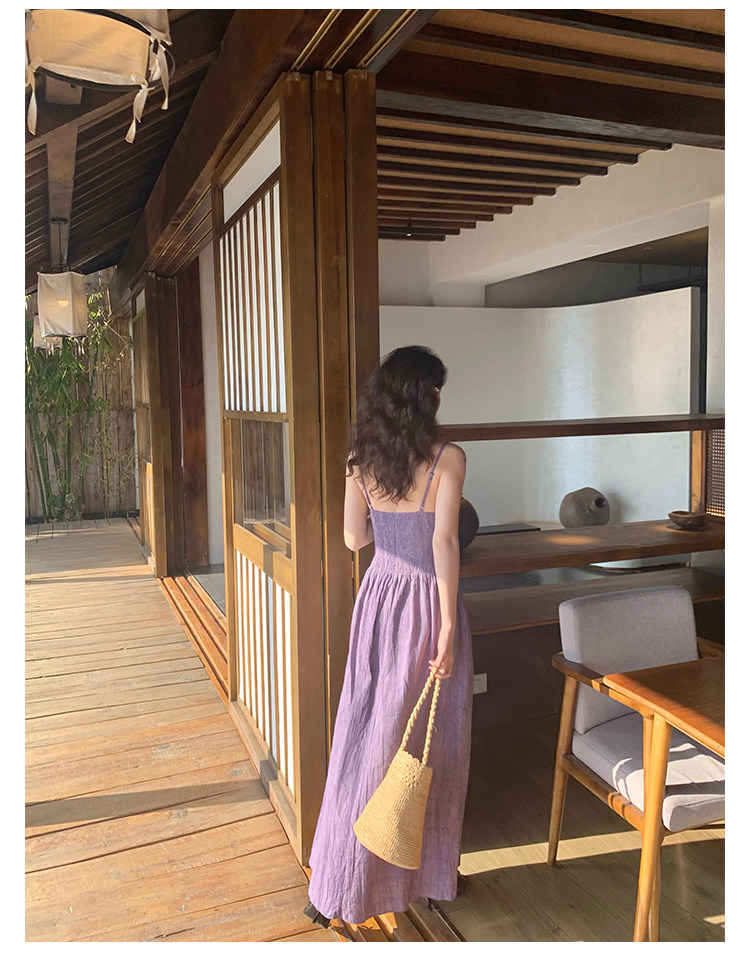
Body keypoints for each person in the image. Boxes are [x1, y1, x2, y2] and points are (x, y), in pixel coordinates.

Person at [303, 344, 474, 927]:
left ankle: (333, 882)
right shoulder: (449, 458)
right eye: (436, 390)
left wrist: (390, 524)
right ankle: (420, 876)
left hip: (378, 600)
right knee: (430, 741)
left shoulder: (360, 461)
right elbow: (444, 543)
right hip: (427, 605)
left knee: (364, 735)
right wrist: (447, 625)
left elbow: (354, 539)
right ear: (426, 396)